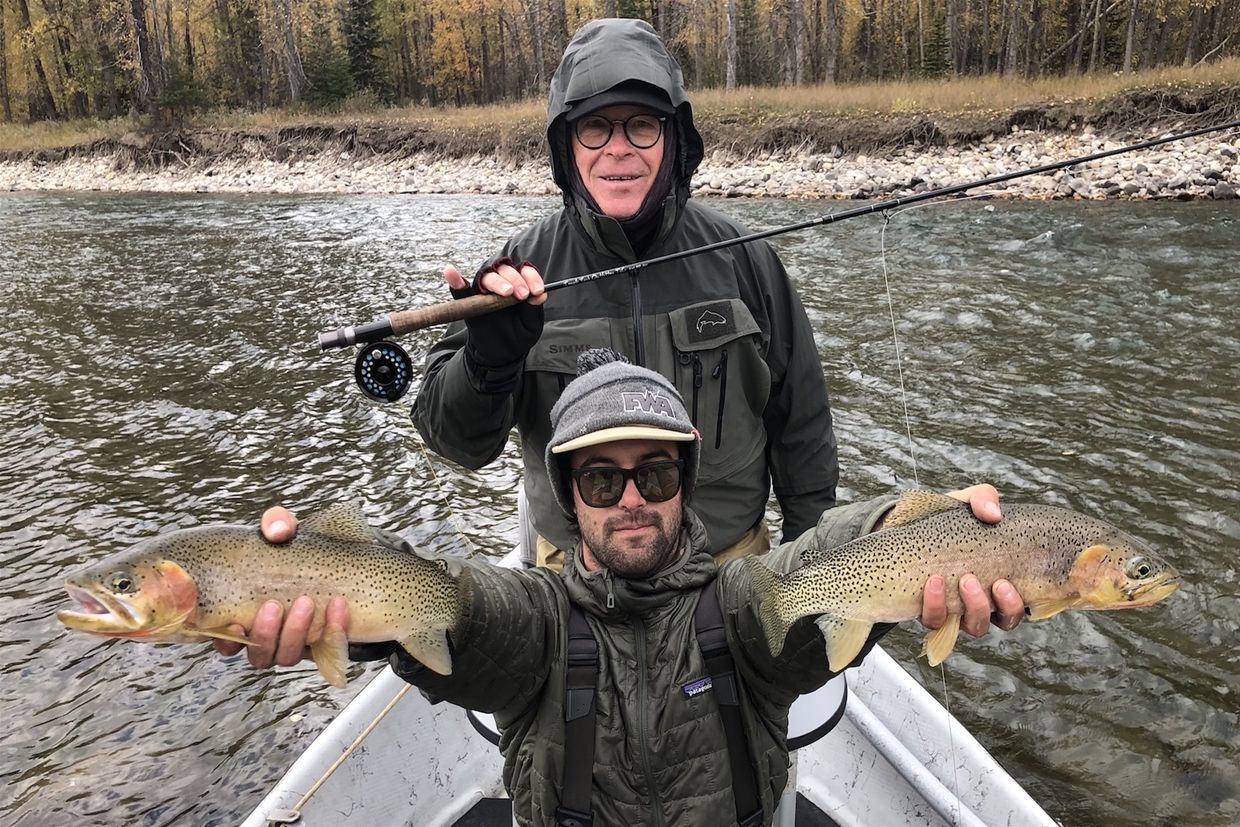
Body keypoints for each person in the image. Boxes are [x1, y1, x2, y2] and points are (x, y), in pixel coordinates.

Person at [216, 350, 1026, 827]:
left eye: (656, 471)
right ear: (569, 497)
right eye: (601, 480)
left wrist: (912, 529)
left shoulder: (744, 607)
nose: (632, 498)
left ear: (687, 481)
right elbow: (455, 604)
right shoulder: (535, 622)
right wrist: (315, 578)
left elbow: (825, 558)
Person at [411, 17, 870, 570]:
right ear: (566, 145)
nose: (618, 150)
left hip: (728, 570)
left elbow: (802, 427)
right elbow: (457, 443)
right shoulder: (516, 271)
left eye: (642, 126)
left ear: (673, 138)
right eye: (595, 127)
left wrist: (814, 570)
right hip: (572, 583)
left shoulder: (745, 258)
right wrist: (487, 363)